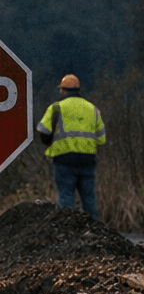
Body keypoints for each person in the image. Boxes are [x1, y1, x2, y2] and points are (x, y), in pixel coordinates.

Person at [37, 73, 106, 219]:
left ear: (63, 90)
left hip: (64, 160)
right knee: (89, 198)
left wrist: (49, 142)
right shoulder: (92, 109)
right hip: (88, 161)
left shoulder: (56, 108)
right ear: (78, 90)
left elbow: (42, 131)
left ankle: (67, 229)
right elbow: (102, 139)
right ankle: (93, 230)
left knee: (66, 197)